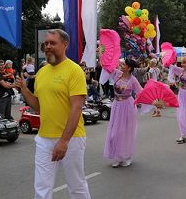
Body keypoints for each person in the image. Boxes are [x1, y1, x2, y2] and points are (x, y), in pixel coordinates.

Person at [17, 29, 91, 199]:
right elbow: (40, 107)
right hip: (44, 138)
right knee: (42, 188)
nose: (48, 46)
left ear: (65, 44)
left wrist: (64, 141)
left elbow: (76, 108)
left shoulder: (74, 70)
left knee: (76, 185)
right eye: (46, 43)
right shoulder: (41, 73)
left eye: (52, 43)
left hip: (71, 139)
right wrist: (24, 90)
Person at [103, 58, 142, 167]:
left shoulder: (133, 80)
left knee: (125, 132)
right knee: (114, 132)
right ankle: (117, 156)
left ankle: (126, 156)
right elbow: (106, 66)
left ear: (129, 68)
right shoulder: (117, 74)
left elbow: (141, 92)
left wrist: (153, 101)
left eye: (124, 64)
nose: (121, 65)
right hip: (116, 105)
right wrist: (103, 53)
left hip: (128, 106)